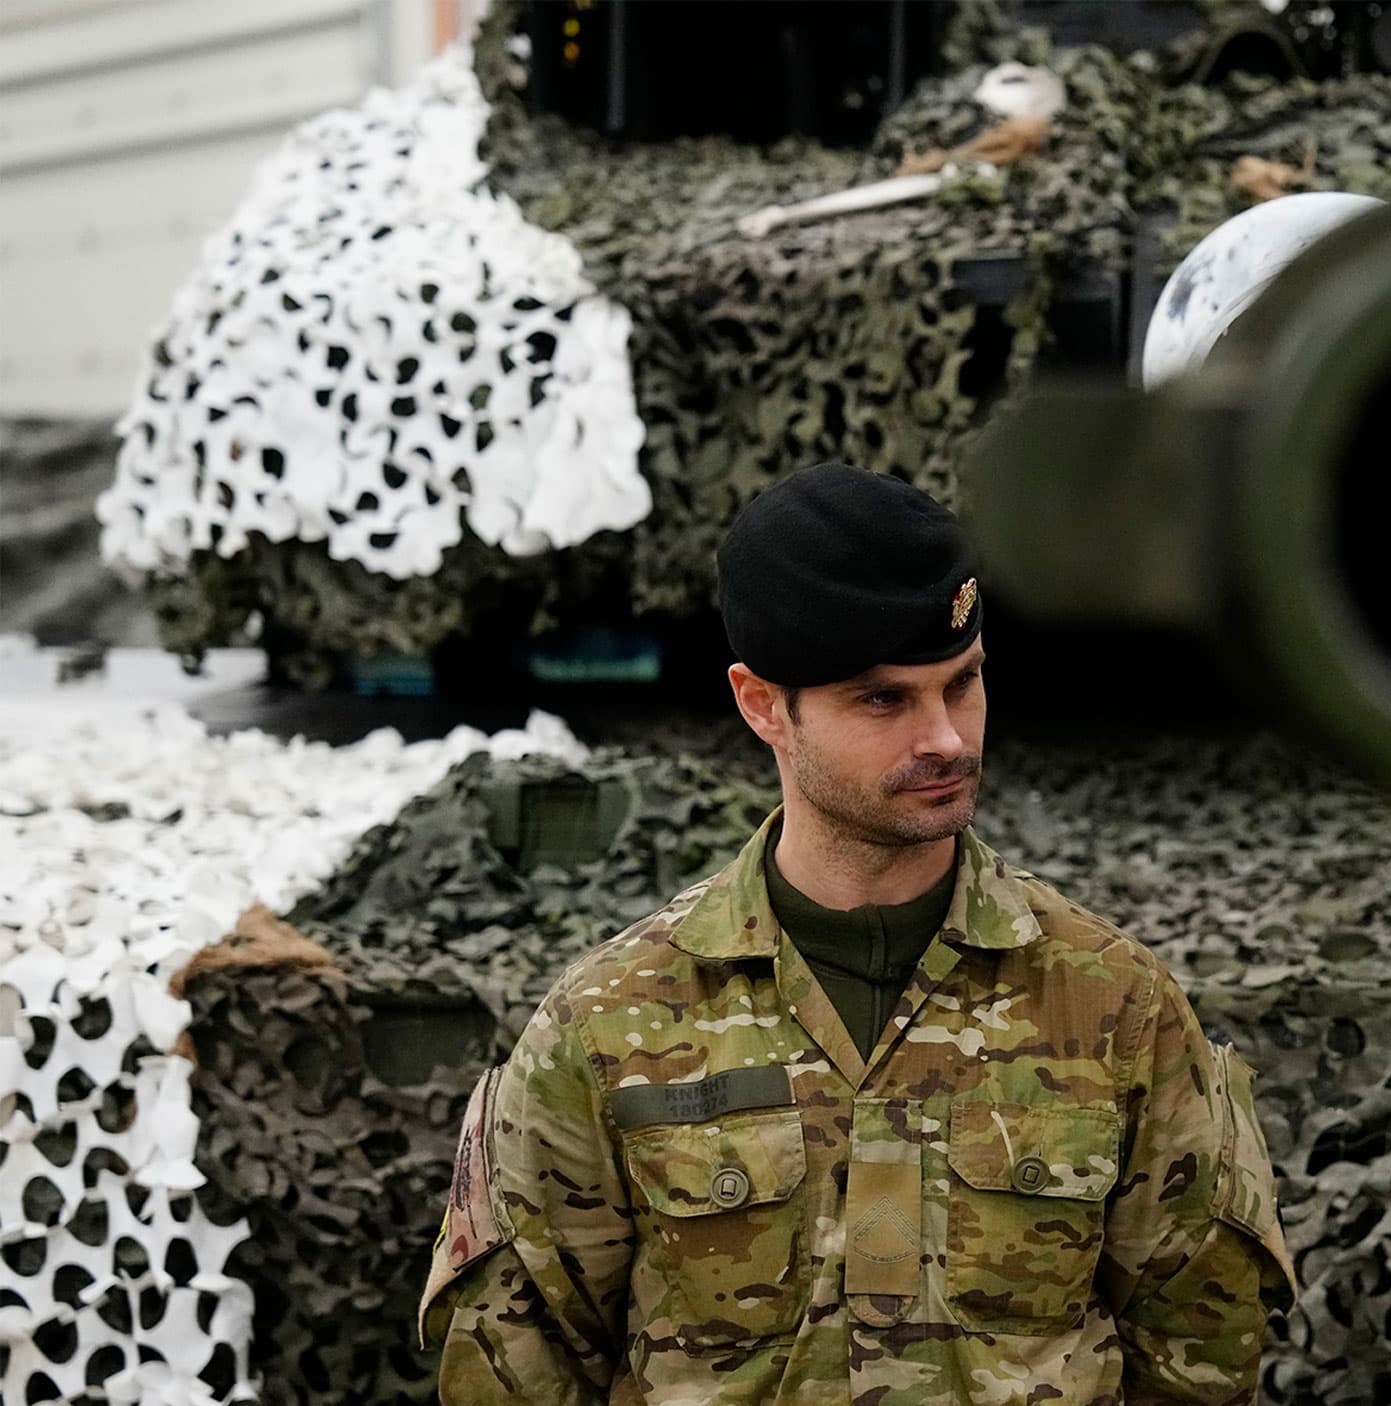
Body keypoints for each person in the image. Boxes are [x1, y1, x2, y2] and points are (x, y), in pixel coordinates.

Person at [420, 461, 1295, 1405]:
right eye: (884, 700)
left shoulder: (1115, 1004)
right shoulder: (605, 1027)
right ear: (763, 706)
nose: (948, 738)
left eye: (963, 684)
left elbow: (1201, 1353)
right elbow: (520, 1364)